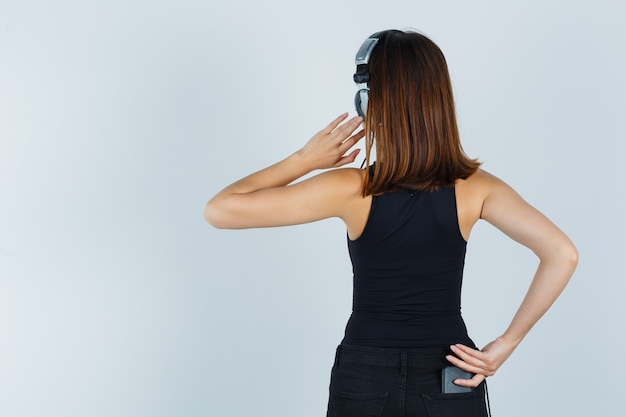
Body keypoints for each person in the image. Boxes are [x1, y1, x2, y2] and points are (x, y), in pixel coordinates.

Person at [205, 29, 578, 417]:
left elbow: (221, 209)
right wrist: (507, 344)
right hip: (452, 370)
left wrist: (303, 159)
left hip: (365, 373)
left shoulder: (352, 188)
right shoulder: (477, 188)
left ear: (373, 101)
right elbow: (562, 253)